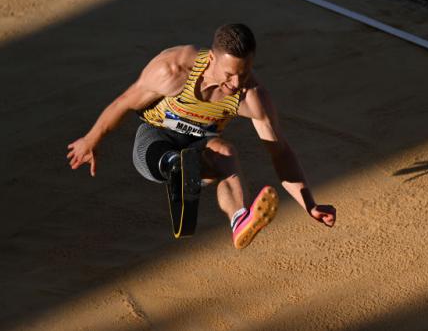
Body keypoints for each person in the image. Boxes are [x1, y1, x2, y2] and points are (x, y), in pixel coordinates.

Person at [66, 23, 336, 249]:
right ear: (210, 59)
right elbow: (125, 102)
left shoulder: (252, 96)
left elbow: (280, 152)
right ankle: (176, 169)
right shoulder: (172, 70)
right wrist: (90, 140)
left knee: (225, 152)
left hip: (198, 147)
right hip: (155, 140)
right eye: (230, 75)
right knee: (174, 155)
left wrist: (309, 203)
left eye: (245, 74)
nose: (236, 84)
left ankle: (239, 219)